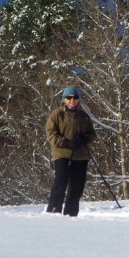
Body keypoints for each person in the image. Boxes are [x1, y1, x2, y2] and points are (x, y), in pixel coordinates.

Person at [45, 86, 97, 217]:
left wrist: (84, 139)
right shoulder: (57, 114)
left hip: (81, 155)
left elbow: (91, 133)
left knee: (77, 186)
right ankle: (53, 212)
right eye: (69, 97)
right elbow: (51, 133)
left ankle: (71, 214)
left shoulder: (84, 116)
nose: (72, 100)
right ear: (64, 99)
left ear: (79, 100)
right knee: (60, 182)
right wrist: (66, 142)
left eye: (75, 98)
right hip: (63, 154)